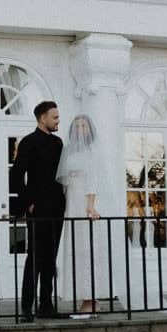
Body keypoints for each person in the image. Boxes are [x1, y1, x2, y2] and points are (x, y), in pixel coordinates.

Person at [10, 100, 66, 322]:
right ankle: (26, 307)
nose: (57, 121)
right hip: (38, 208)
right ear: (42, 118)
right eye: (54, 117)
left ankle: (46, 306)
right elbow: (16, 176)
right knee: (34, 257)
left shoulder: (59, 143)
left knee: (50, 258)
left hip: (57, 208)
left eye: (58, 117)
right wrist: (28, 203)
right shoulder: (28, 143)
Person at [57, 114, 105, 315]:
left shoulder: (92, 152)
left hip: (85, 201)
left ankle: (90, 297)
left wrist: (91, 205)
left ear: (89, 129)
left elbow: (94, 178)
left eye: (83, 125)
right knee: (74, 248)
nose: (79, 129)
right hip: (72, 201)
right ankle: (82, 296)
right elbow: (64, 180)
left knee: (87, 249)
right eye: (76, 125)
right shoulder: (68, 152)